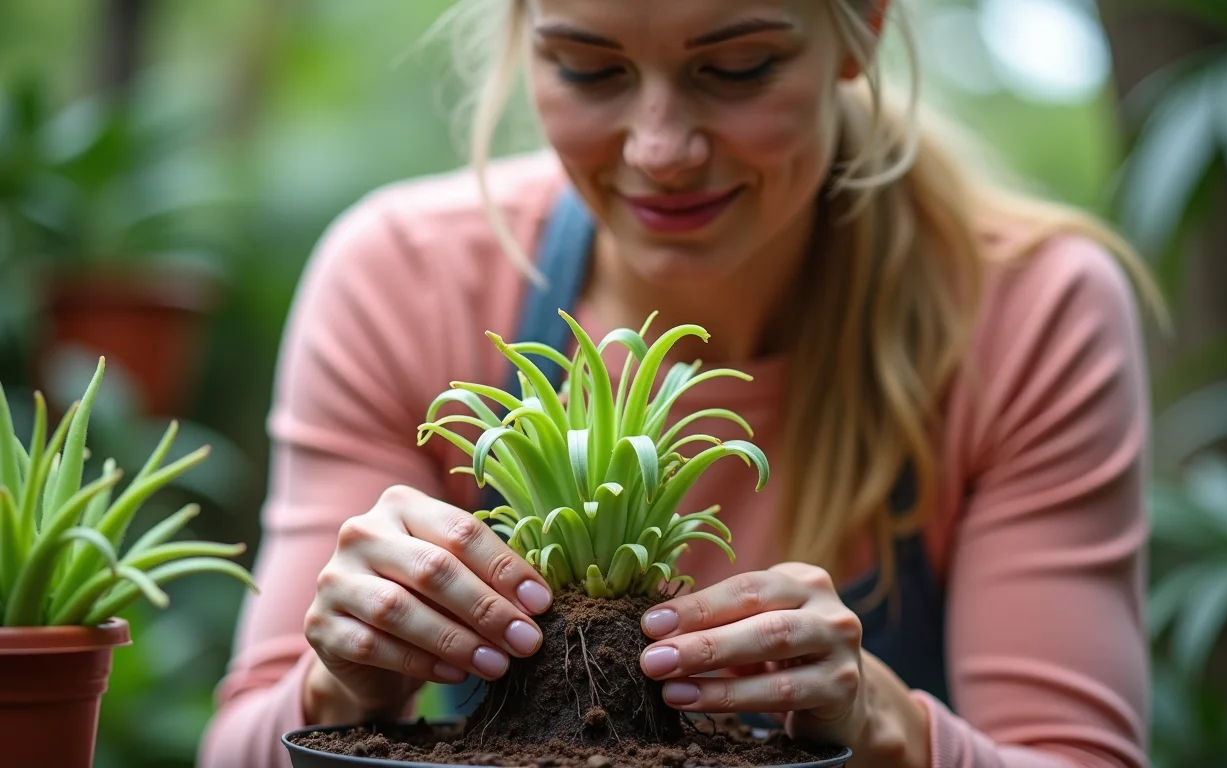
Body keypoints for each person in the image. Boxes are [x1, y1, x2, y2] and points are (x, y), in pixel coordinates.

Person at [198, 0, 1160, 766]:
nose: (661, 149)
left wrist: (886, 726)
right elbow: (238, 750)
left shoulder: (1029, 312)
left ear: (861, 27)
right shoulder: (402, 280)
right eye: (589, 68)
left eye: (737, 68)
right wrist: (343, 685)